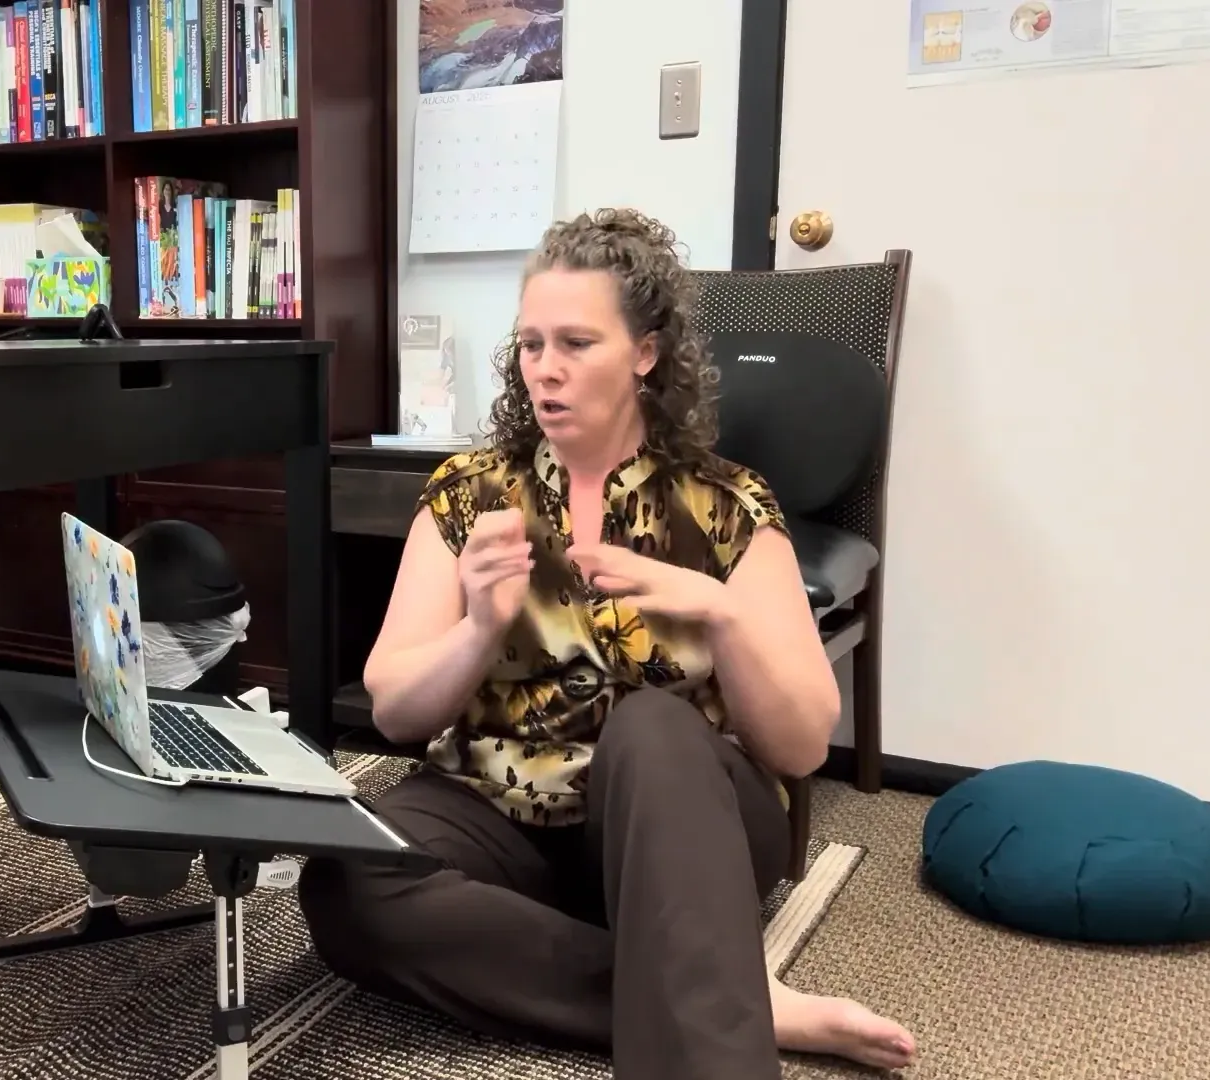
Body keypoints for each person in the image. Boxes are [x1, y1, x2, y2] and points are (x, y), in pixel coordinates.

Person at [296, 209, 916, 1078]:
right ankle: (736, 999)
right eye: (530, 344)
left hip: (680, 825)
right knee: (346, 882)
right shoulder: (471, 495)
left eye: (577, 343)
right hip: (501, 811)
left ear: (646, 353)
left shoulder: (729, 507)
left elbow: (804, 742)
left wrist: (722, 615)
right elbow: (397, 710)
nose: (544, 370)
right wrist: (478, 629)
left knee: (651, 728)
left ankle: (707, 1035)